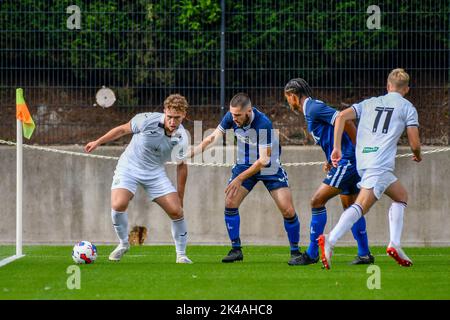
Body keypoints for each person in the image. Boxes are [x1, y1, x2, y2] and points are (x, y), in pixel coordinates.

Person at [319, 68, 422, 269]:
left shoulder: (369, 103)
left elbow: (340, 117)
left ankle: (395, 244)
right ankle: (330, 239)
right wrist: (417, 155)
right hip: (379, 165)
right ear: (406, 89)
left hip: (364, 162)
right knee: (360, 207)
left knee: (400, 196)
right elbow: (415, 144)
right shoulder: (407, 107)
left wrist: (337, 148)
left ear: (387, 85)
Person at [190, 92, 302, 264]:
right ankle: (236, 250)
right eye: (232, 114)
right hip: (244, 163)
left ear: (248, 111)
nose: (233, 118)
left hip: (268, 166)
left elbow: (264, 161)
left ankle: (295, 251)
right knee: (230, 202)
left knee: (287, 209)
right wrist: (192, 153)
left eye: (237, 115)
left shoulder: (263, 123)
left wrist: (239, 178)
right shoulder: (231, 116)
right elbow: (213, 137)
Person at [84, 94, 193, 264]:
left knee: (177, 211)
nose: (172, 122)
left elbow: (181, 166)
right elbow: (121, 130)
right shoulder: (146, 120)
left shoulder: (182, 137)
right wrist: (98, 142)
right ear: (164, 111)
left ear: (184, 115)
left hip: (155, 173)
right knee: (118, 204)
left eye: (177, 118)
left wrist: (181, 197)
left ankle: (181, 255)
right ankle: (123, 244)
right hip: (129, 167)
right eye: (169, 117)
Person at [284, 78, 374, 266]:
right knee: (351, 208)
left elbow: (344, 119)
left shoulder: (313, 108)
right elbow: (331, 133)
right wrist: (329, 159)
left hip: (348, 161)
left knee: (317, 201)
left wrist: (357, 148)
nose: (288, 102)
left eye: (287, 98)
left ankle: (311, 253)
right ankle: (364, 254)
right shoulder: (311, 110)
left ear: (293, 96)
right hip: (345, 161)